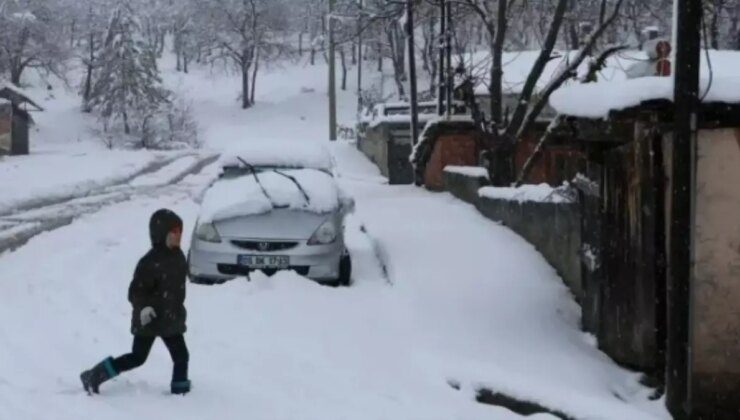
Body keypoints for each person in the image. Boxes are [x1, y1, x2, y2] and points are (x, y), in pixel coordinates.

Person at [80, 209, 191, 395]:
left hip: (171, 318)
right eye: (174, 232)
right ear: (161, 234)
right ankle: (94, 375)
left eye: (180, 231)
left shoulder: (178, 257)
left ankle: (180, 392)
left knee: (181, 356)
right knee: (138, 357)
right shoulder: (149, 263)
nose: (178, 236)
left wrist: (177, 310)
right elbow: (135, 292)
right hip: (150, 319)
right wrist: (144, 307)